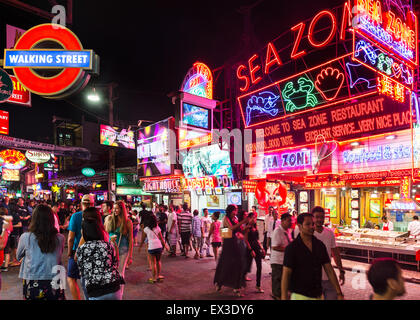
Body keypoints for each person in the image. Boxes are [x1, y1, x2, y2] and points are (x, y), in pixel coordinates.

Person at [281, 213, 344, 300]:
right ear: (299, 226)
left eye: (313, 224)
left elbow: (329, 270)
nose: (312, 226)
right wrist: (283, 297)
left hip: (318, 295)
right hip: (299, 296)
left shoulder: (319, 245)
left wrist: (339, 293)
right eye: (308, 224)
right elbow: (286, 275)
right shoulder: (292, 248)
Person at [16, 204, 66, 300]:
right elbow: (58, 255)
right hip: (55, 278)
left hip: (32, 277)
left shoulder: (26, 237)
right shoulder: (60, 238)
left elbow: (18, 257)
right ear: (52, 219)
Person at [76, 207, 124, 300]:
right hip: (114, 290)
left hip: (96, 292)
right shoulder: (108, 245)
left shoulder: (81, 249)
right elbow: (116, 264)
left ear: (84, 232)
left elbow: (82, 271)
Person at [214, 204, 250, 297]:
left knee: (238, 265)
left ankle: (236, 287)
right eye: (235, 209)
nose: (236, 211)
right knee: (225, 265)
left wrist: (248, 225)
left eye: (237, 209)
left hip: (236, 244)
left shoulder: (236, 219)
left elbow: (239, 230)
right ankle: (220, 283)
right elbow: (231, 228)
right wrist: (243, 222)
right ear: (230, 211)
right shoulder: (226, 219)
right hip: (228, 245)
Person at [312, 206, 346, 300]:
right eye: (317, 217)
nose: (320, 219)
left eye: (322, 217)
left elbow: (335, 253)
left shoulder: (329, 233)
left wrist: (341, 270)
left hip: (328, 276)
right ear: (312, 218)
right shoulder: (309, 234)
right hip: (313, 278)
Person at [67, 194, 93, 300]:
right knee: (88, 279)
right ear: (93, 204)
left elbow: (70, 238)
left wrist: (69, 253)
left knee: (71, 278)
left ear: (81, 204)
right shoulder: (98, 216)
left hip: (77, 251)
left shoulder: (76, 216)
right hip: (92, 251)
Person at [104, 200, 133, 294]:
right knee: (110, 272)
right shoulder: (109, 219)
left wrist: (130, 256)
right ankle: (112, 293)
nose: (114, 210)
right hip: (110, 249)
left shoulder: (127, 222)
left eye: (117, 208)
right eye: (114, 208)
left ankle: (119, 294)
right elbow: (104, 233)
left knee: (120, 273)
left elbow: (130, 240)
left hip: (123, 250)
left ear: (122, 209)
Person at [139, 214, 169, 283]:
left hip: (151, 247)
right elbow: (161, 238)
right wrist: (166, 247)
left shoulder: (146, 229)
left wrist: (140, 246)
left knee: (153, 263)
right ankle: (158, 276)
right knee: (158, 261)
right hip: (159, 246)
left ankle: (153, 278)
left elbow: (143, 239)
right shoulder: (157, 228)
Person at [270, 212, 292, 300]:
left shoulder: (287, 231)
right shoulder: (277, 231)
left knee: (284, 280)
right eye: (288, 221)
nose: (290, 222)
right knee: (277, 280)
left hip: (284, 261)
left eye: (291, 221)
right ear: (282, 221)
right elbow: (275, 246)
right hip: (277, 261)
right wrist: (288, 249)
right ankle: (277, 296)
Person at [244, 212, 265, 293]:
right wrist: (250, 250)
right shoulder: (247, 228)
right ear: (249, 219)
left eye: (255, 218)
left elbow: (257, 240)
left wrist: (262, 248)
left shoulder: (255, 228)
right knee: (246, 267)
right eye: (252, 217)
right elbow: (246, 240)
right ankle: (238, 284)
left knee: (259, 266)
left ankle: (258, 285)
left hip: (256, 248)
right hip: (250, 249)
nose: (254, 219)